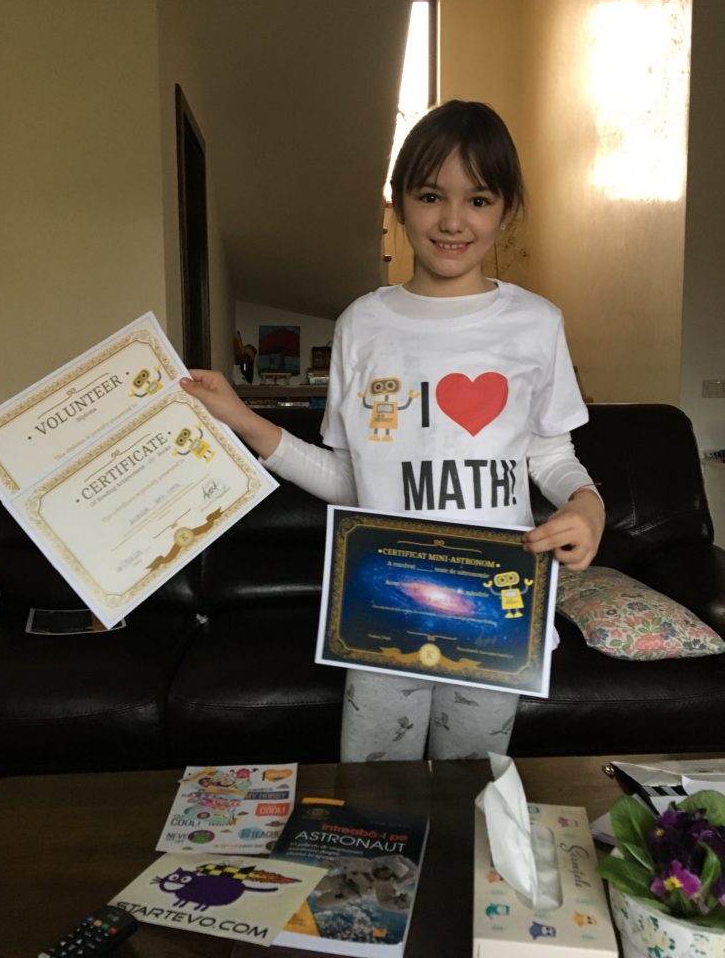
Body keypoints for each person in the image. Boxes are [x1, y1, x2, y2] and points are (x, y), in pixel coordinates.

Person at [181, 100, 605, 763]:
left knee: (471, 785)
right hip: (382, 604)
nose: (453, 221)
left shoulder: (536, 323)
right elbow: (352, 478)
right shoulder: (362, 324)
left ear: (506, 209)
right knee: (375, 791)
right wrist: (241, 419)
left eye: (479, 199)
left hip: (496, 609)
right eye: (431, 196)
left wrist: (587, 503)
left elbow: (550, 452)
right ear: (400, 202)